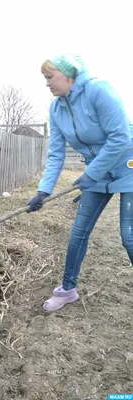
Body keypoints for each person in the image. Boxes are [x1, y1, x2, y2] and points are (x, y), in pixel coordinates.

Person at [27, 53, 133, 311]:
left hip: (128, 166)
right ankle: (67, 290)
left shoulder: (98, 91)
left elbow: (119, 138)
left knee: (128, 236)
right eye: (45, 78)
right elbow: (55, 154)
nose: (47, 83)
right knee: (78, 233)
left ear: (69, 74)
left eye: (49, 77)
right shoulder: (56, 108)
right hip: (96, 175)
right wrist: (43, 190)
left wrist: (91, 173)